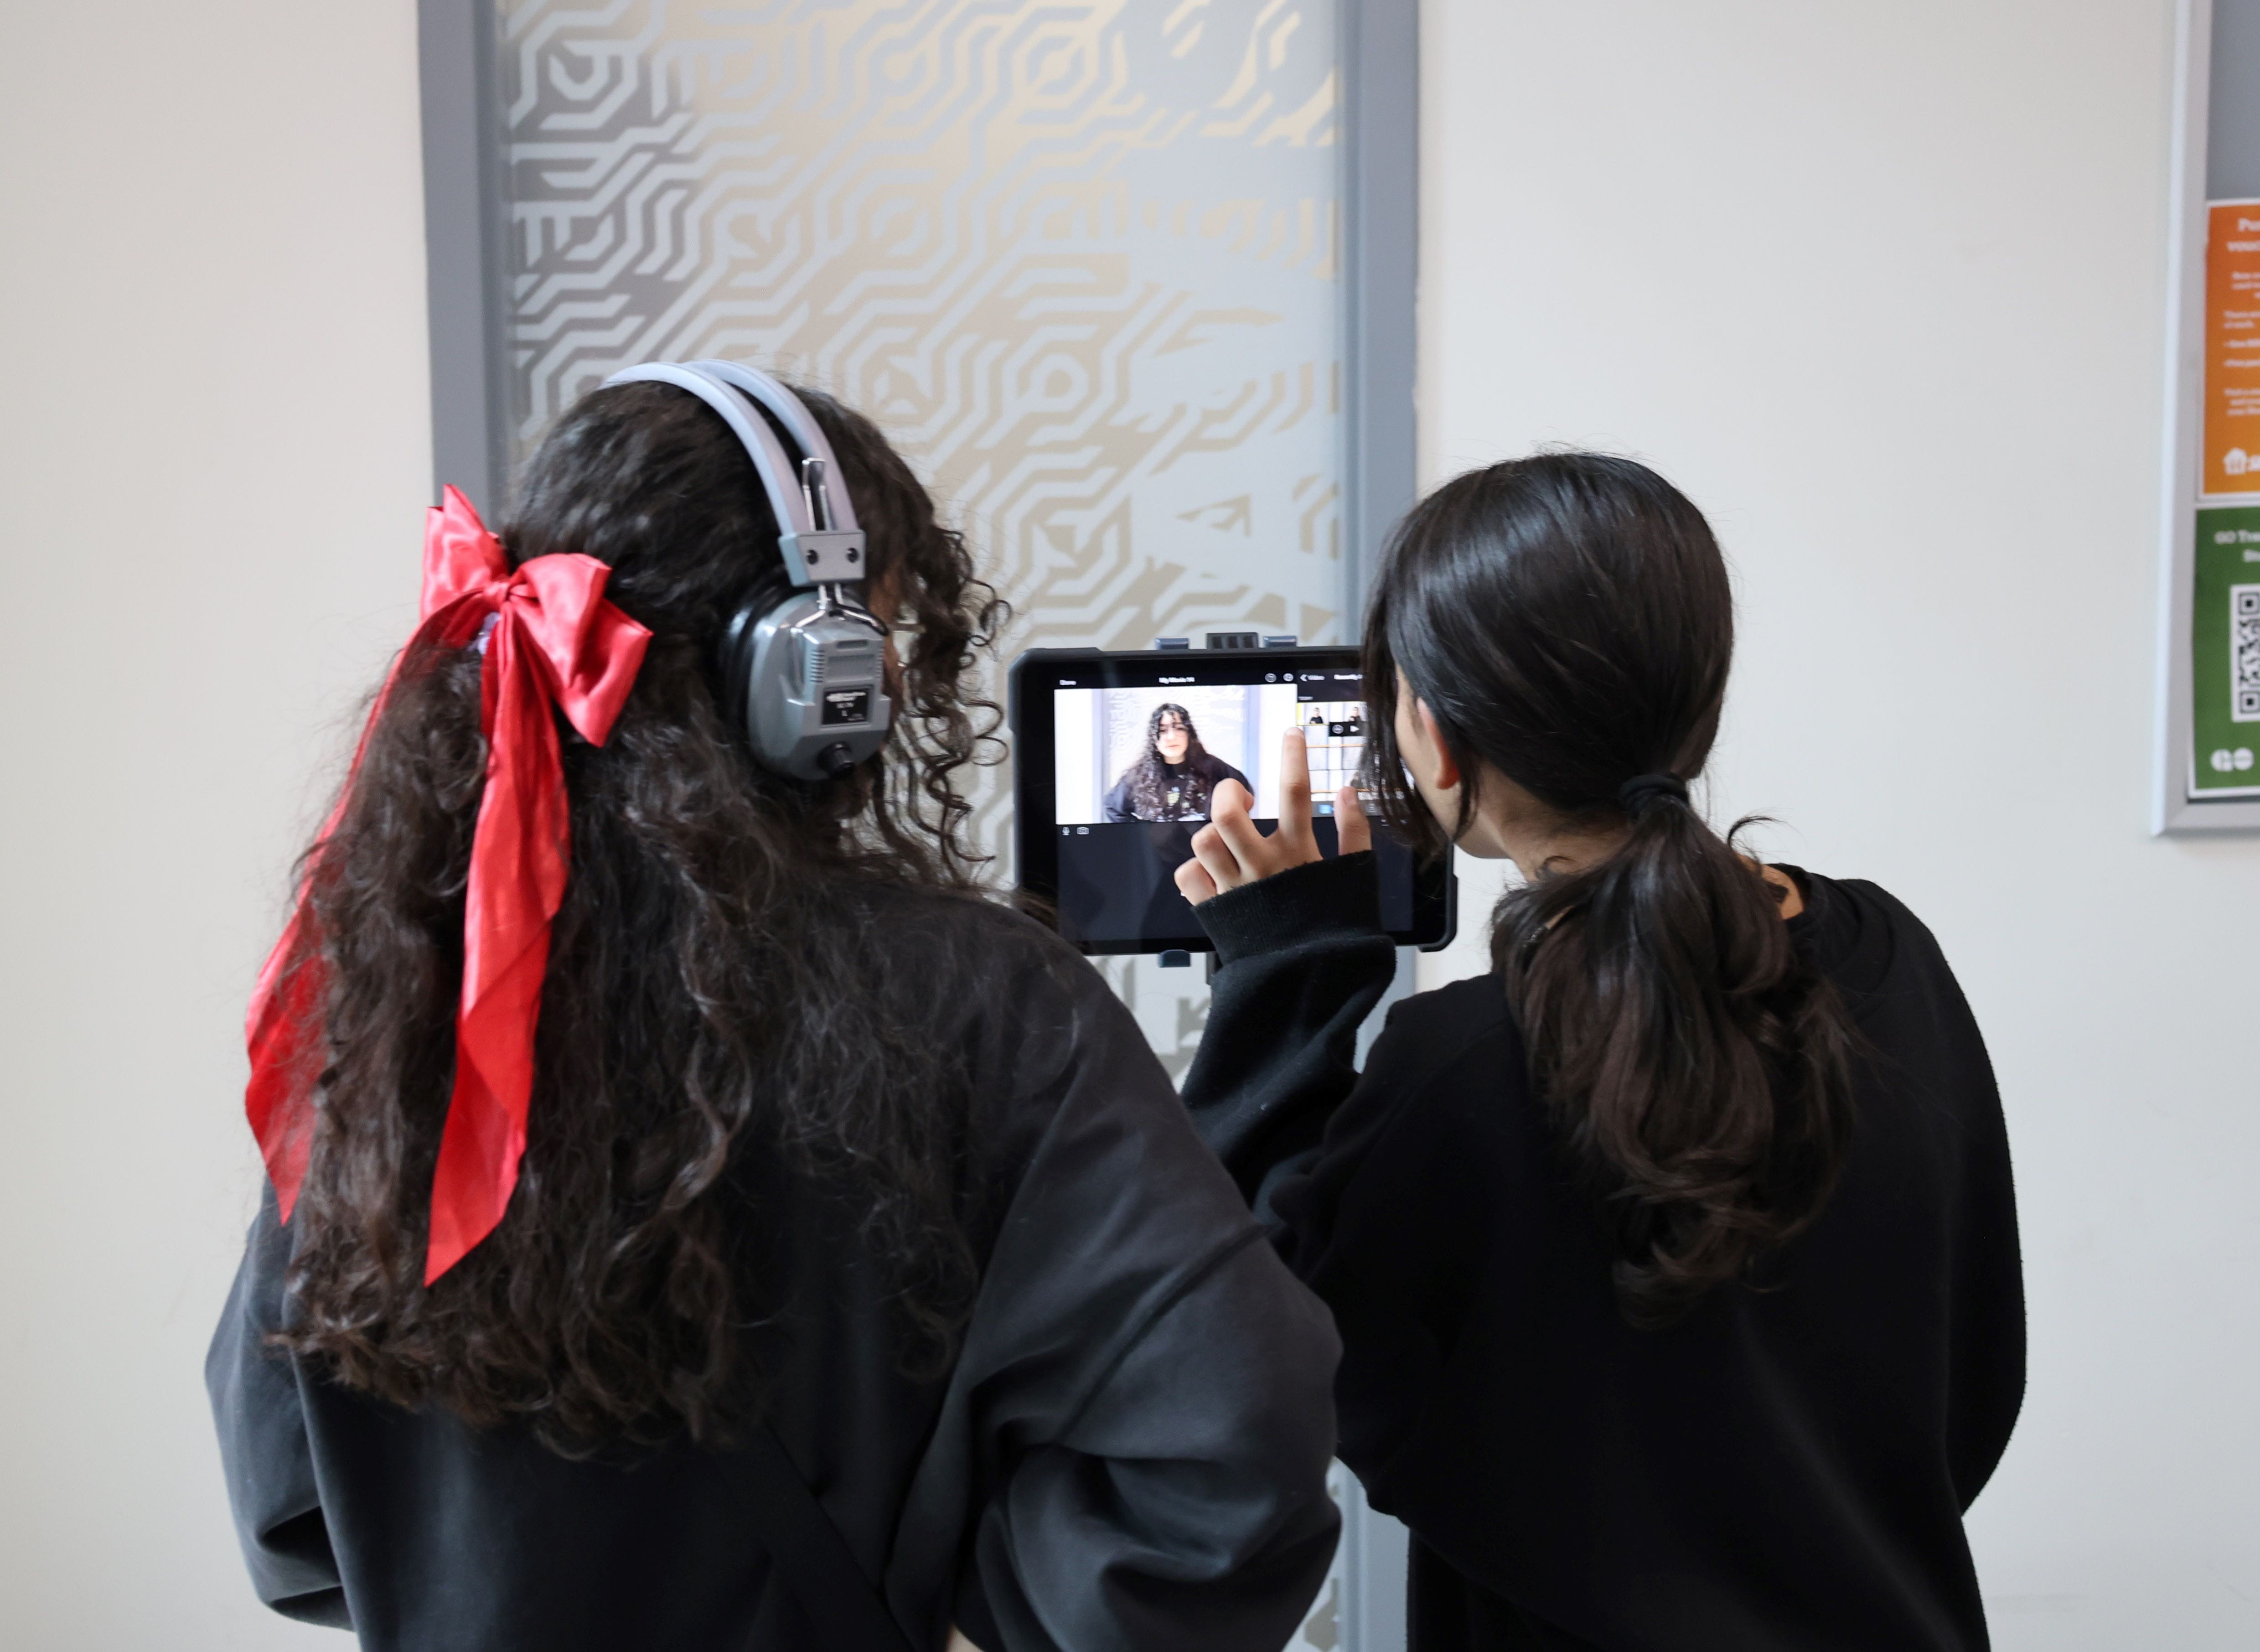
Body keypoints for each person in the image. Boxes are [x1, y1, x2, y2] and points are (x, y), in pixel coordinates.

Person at [206, 370, 1342, 1652]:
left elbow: (289, 1507)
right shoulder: (987, 1001)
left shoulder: (390, 1005)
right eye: (882, 637)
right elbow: (1232, 1440)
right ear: (806, 679)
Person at [1171, 452, 2024, 1651]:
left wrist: (1285, 967)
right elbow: (1973, 1375)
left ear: (1432, 731)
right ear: (1696, 698)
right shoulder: (1892, 956)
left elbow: (1238, 1368)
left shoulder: (1461, 1067)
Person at [1103, 701, 1249, 822]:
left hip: (1205, 852)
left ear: (1189, 733)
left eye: (1179, 728)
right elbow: (1112, 807)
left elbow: (1243, 790)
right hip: (1157, 854)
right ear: (1154, 738)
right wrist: (1141, 833)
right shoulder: (1140, 774)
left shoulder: (1212, 767)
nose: (1172, 737)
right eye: (1163, 731)